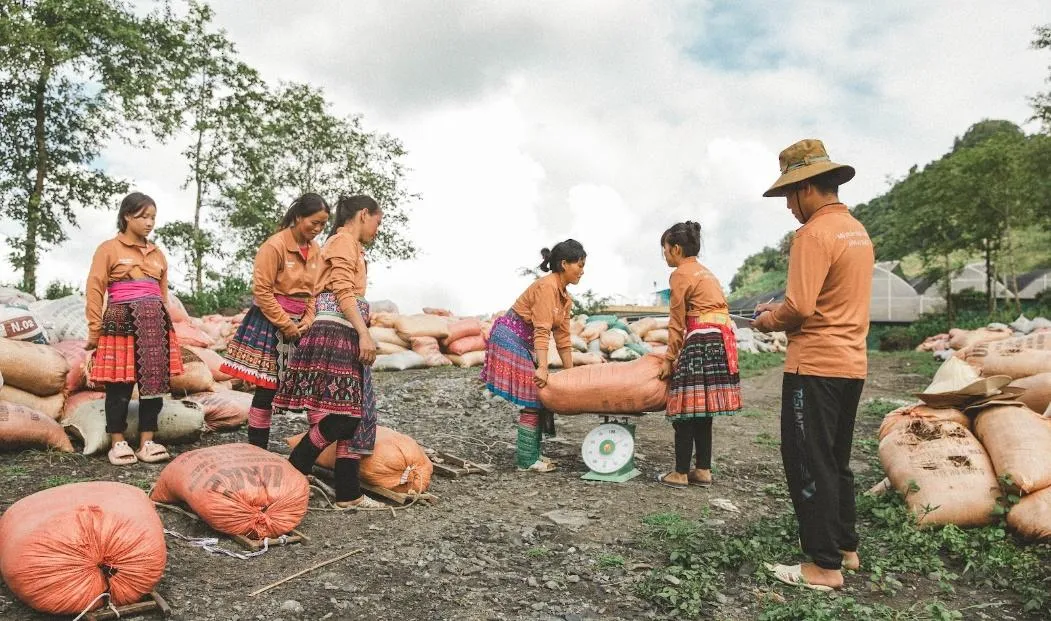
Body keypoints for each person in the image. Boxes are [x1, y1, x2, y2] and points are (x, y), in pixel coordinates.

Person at [752, 139, 873, 591]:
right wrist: (779, 304)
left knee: (807, 459)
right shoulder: (856, 231)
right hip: (850, 364)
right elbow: (825, 297)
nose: (788, 206)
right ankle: (845, 547)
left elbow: (801, 308)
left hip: (814, 366)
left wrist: (768, 320)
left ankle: (823, 566)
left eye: (788, 195)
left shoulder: (812, 234)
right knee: (836, 458)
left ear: (805, 188)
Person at [274, 195, 385, 509]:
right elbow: (341, 289)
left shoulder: (351, 246)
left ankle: (348, 494)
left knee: (353, 414)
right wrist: (363, 333)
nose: (377, 229)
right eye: (378, 221)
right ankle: (294, 469)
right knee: (343, 416)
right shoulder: (341, 242)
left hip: (345, 329)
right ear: (364, 214)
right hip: (337, 330)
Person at [220, 193, 329, 450]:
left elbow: (314, 291)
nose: (317, 229)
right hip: (272, 322)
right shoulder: (275, 246)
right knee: (267, 390)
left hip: (301, 323)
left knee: (312, 386)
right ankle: (257, 450)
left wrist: (309, 318)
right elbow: (262, 292)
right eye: (314, 222)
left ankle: (317, 449)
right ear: (298, 217)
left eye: (323, 225)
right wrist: (285, 324)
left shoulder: (315, 250)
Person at [85, 192, 184, 466]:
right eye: (143, 217)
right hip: (120, 322)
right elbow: (94, 288)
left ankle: (147, 441)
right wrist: (94, 329)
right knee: (119, 383)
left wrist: (166, 326)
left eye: (153, 217)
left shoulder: (158, 254)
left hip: (155, 323)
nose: (150, 222)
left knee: (154, 384)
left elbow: (162, 295)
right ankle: (117, 442)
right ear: (127, 216)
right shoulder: (109, 248)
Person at [481, 240, 585, 473]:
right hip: (509, 338)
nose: (582, 271)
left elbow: (563, 339)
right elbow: (541, 330)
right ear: (564, 264)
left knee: (540, 396)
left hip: (525, 343)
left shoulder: (564, 298)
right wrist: (543, 368)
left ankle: (533, 454)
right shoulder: (547, 287)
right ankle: (527, 461)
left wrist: (571, 374)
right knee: (534, 396)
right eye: (579, 265)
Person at [655, 221, 741, 488]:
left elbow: (676, 321)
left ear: (676, 248)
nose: (664, 255)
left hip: (701, 339)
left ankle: (680, 473)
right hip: (720, 340)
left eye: (665, 250)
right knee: (702, 409)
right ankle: (703, 469)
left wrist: (669, 359)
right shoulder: (706, 272)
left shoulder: (681, 274)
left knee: (683, 407)